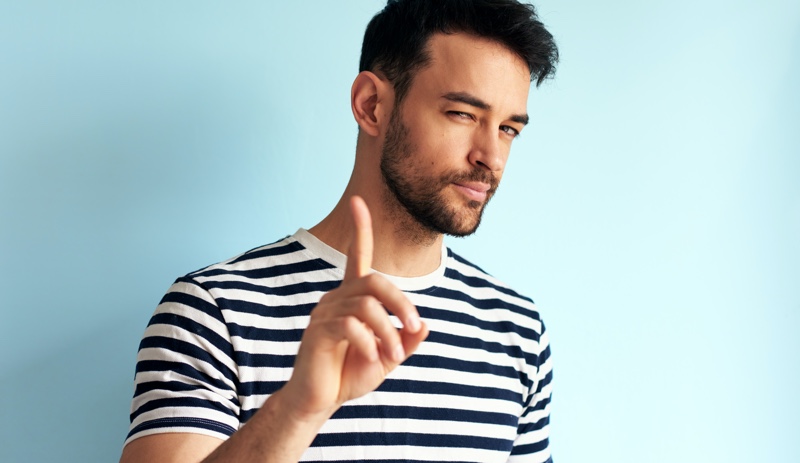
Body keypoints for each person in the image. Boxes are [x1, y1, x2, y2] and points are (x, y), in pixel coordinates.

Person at [119, 0, 558, 462]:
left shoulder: (519, 334)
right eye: (463, 115)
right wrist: (301, 406)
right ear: (371, 106)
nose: (491, 156)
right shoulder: (213, 313)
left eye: (509, 128)